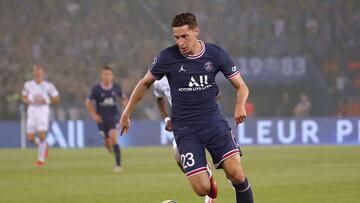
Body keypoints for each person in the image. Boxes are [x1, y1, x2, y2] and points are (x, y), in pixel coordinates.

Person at [120, 13, 253, 203]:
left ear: (196, 31)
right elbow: (144, 83)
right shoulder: (167, 57)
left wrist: (240, 105)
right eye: (176, 37)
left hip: (214, 124)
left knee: (237, 175)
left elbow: (241, 86)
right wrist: (127, 112)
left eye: (185, 36)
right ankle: (204, 179)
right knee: (203, 189)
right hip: (185, 130)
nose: (180, 42)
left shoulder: (215, 54)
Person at [85, 66, 128, 172]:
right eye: (105, 74)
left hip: (113, 117)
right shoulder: (96, 89)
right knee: (107, 142)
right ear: (101, 75)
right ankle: (110, 147)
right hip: (101, 119)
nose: (107, 76)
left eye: (109, 74)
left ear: (112, 76)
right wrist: (94, 115)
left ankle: (118, 165)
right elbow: (88, 102)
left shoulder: (116, 87)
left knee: (114, 137)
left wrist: (125, 109)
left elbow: (124, 98)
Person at [21, 65, 60, 166]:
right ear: (33, 73)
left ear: (42, 73)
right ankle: (43, 145)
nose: (37, 73)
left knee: (42, 135)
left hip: (43, 111)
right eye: (36, 71)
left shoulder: (48, 86)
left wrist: (47, 101)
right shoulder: (28, 84)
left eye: (39, 71)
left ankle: (40, 160)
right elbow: (24, 97)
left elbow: (56, 98)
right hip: (32, 111)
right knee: (30, 138)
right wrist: (27, 100)